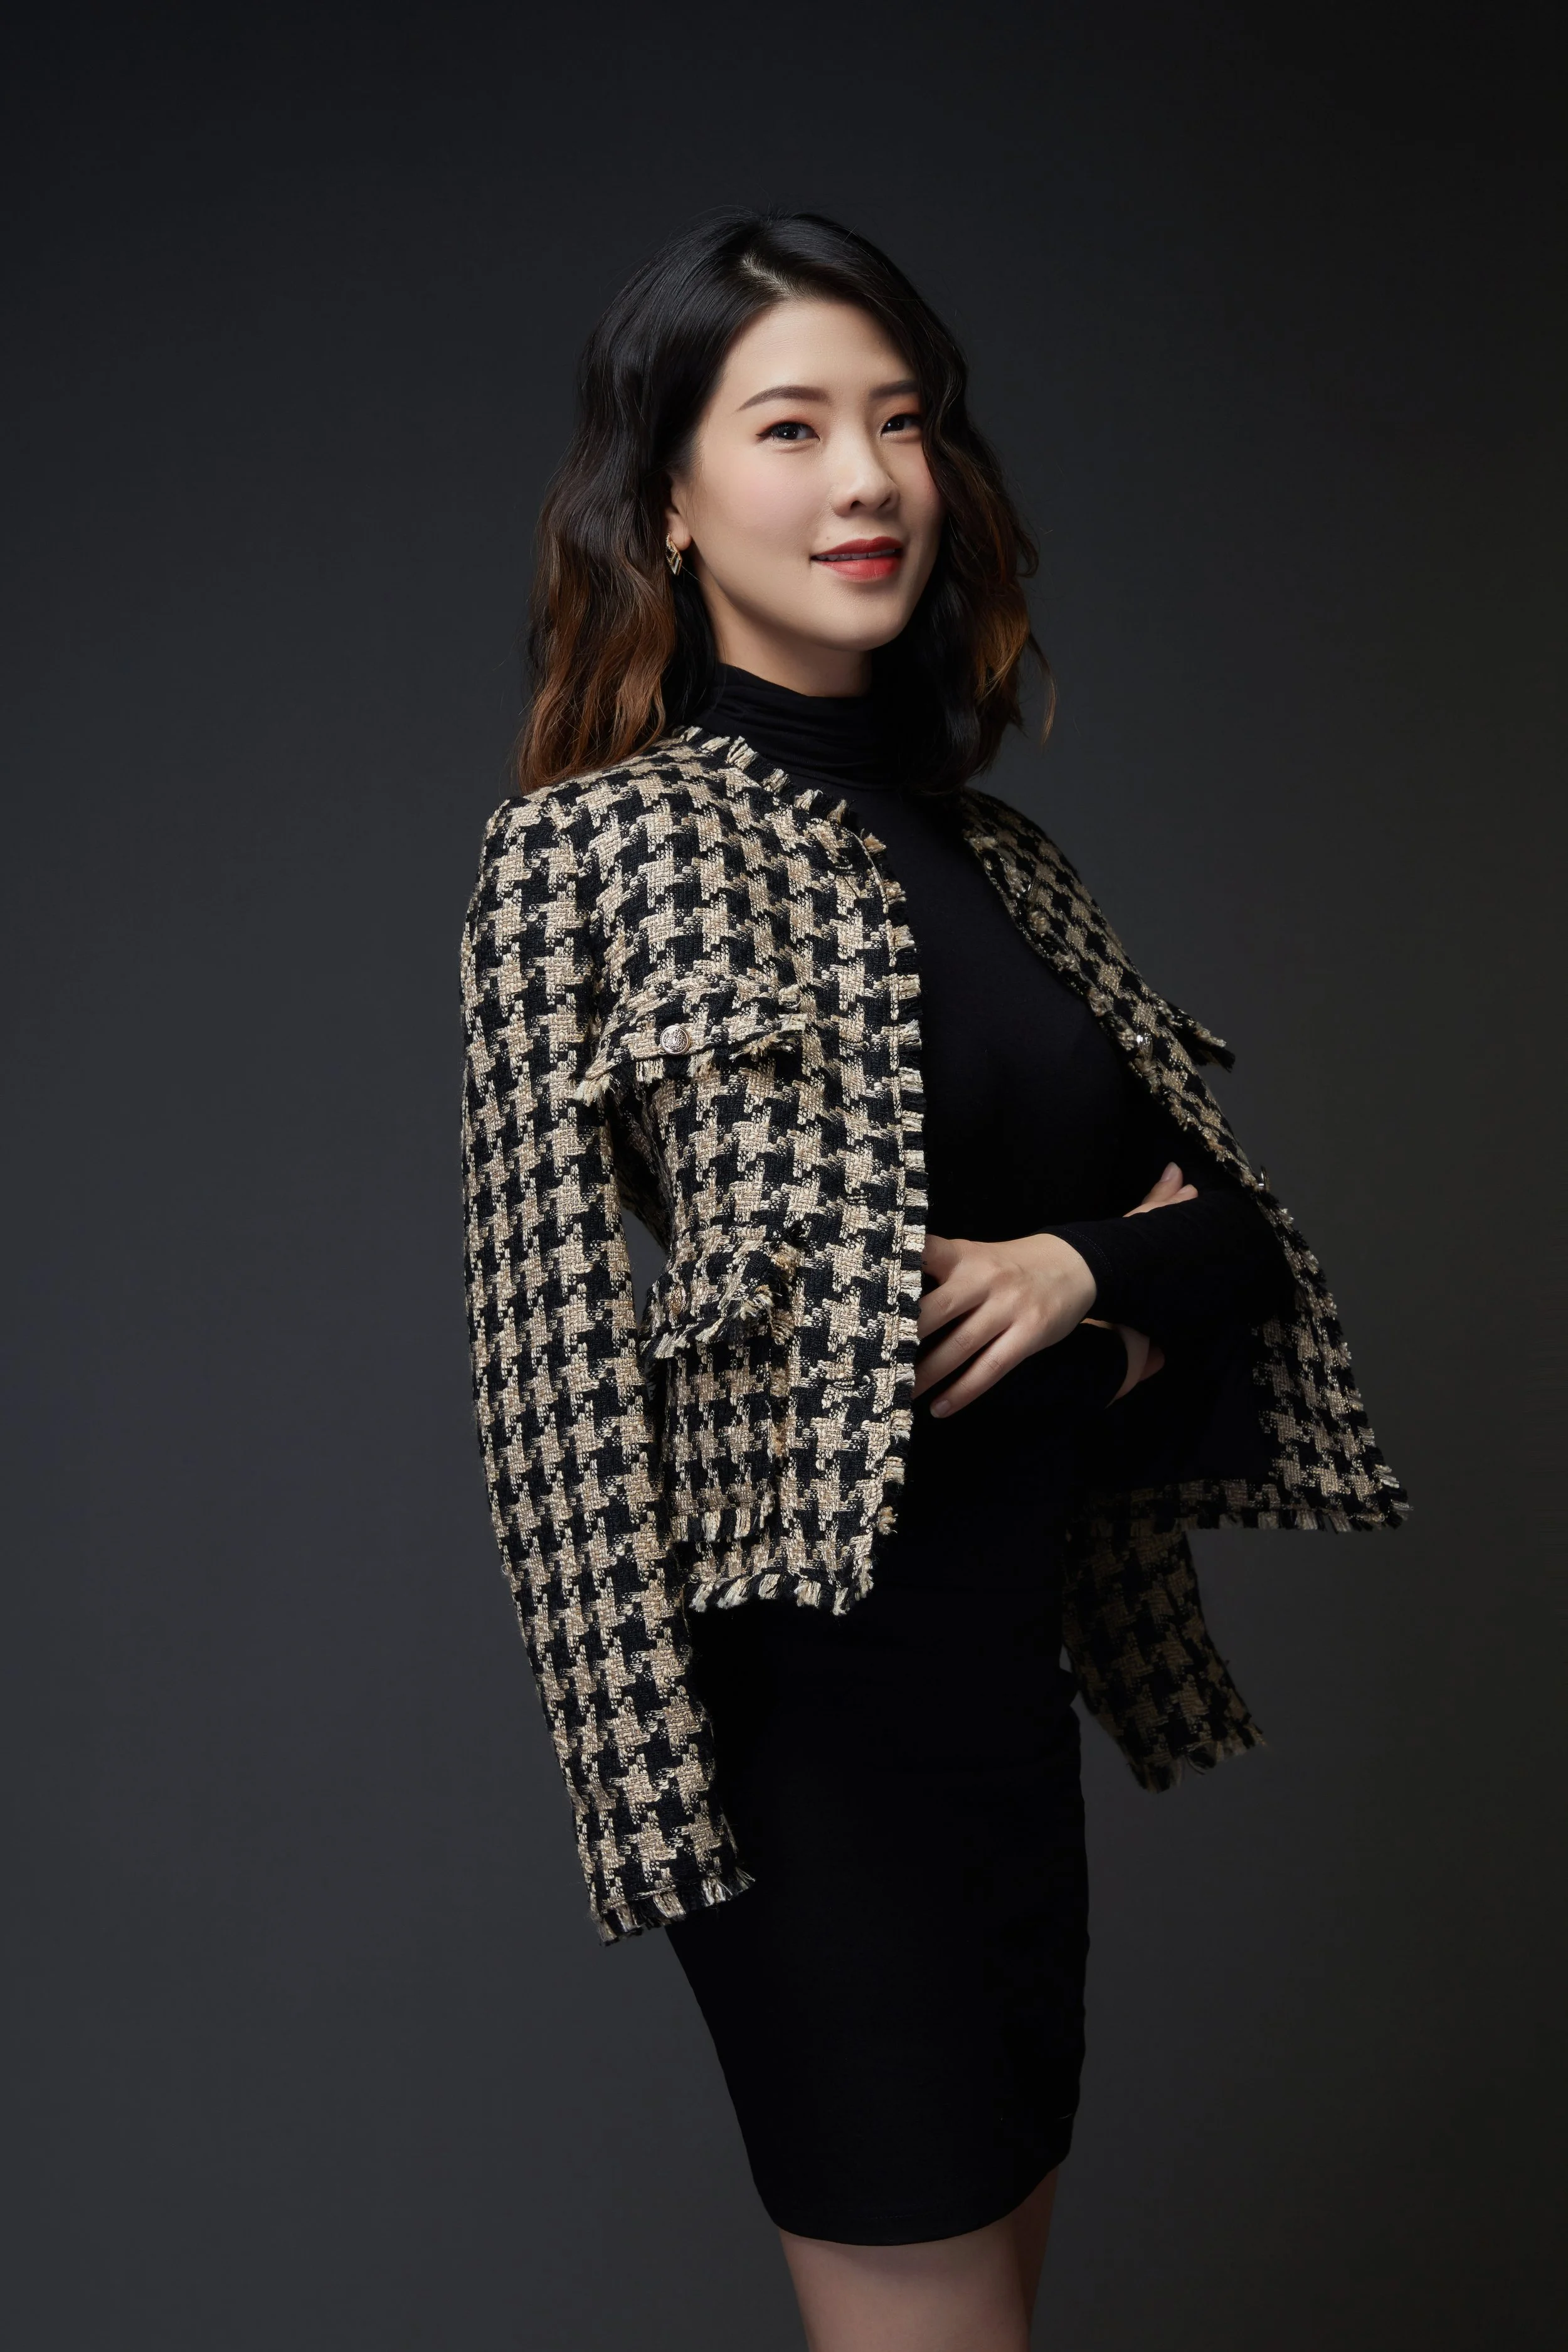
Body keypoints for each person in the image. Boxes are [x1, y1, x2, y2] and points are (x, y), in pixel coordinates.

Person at [460, 208, 1406, 2352]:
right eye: (790, 426)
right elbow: (547, 1377)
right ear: (665, 501)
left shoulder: (1008, 867)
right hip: (801, 1731)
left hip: (1007, 1699)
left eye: (898, 422)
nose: (865, 478)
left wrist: (1079, 1275)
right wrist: (647, 1796)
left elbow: (1241, 1232)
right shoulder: (584, 856)